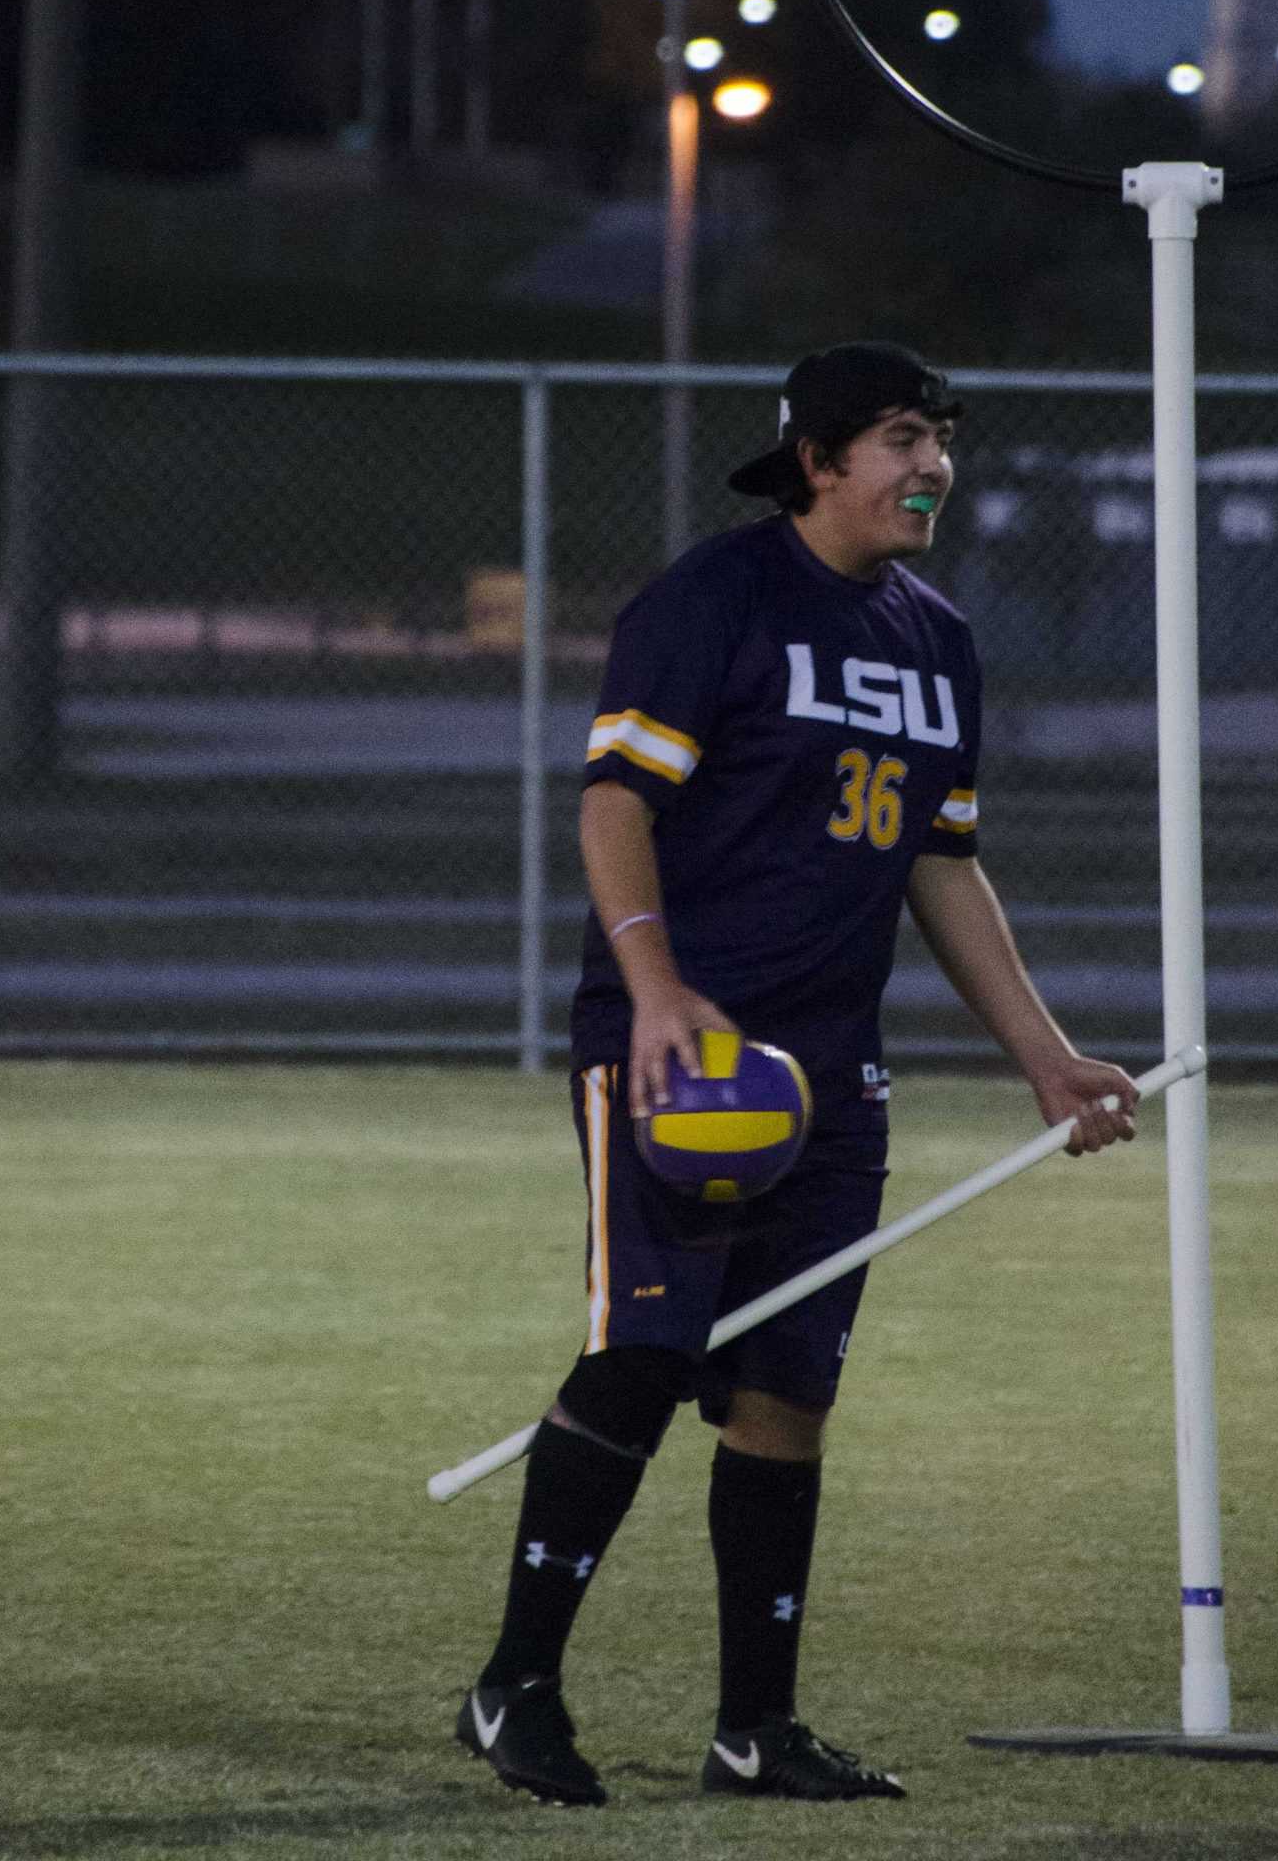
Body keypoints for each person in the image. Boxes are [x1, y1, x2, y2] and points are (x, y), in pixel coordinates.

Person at [456, 341, 1138, 1808]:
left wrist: (1042, 1053)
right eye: (901, 438)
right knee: (642, 1358)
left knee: (787, 1391)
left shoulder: (936, 635)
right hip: (681, 1048)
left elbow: (939, 862)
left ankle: (754, 1732)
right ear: (819, 459)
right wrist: (653, 992)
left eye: (941, 437)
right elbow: (612, 806)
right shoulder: (712, 599)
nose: (932, 468)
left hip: (833, 1067)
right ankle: (514, 1690)